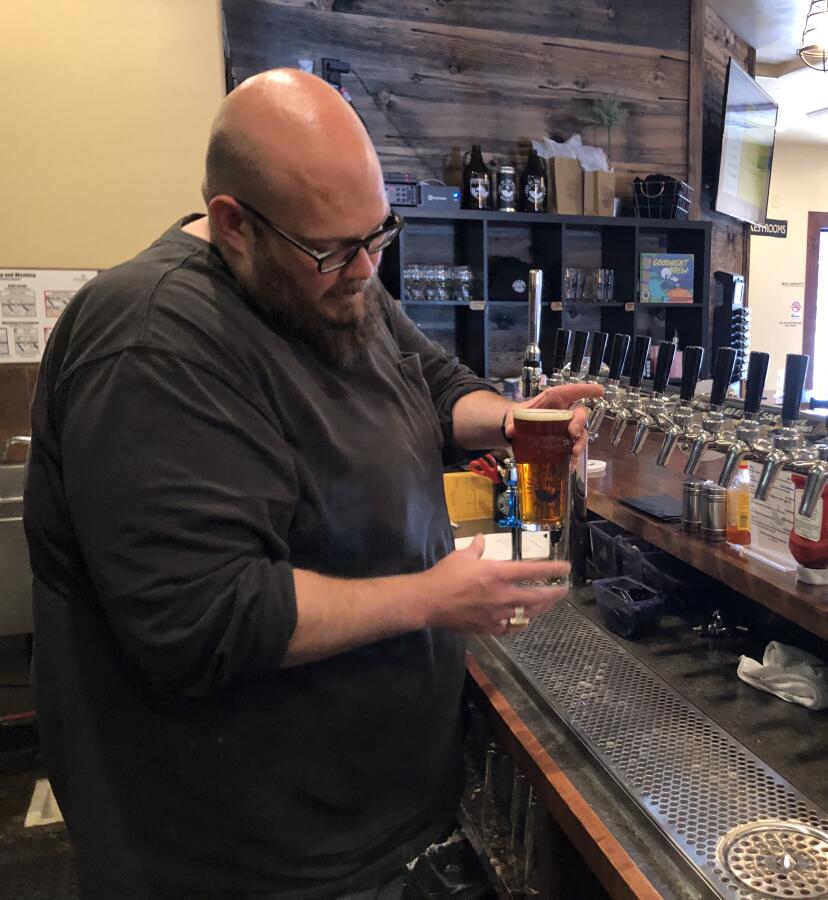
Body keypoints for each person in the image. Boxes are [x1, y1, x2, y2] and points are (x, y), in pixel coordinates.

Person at [23, 68, 601, 898]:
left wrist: (510, 420)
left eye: (380, 236)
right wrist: (433, 598)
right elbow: (206, 618)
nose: (366, 269)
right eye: (337, 250)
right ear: (233, 224)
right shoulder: (154, 342)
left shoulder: (334, 274)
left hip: (363, 824)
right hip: (243, 862)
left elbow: (432, 380)